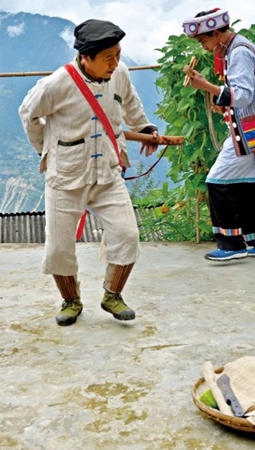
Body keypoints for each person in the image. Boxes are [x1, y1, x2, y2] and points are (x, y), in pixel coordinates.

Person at [19, 19, 161, 326]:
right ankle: (70, 301)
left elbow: (130, 104)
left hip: (108, 171)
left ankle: (112, 294)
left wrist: (144, 127)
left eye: (118, 54)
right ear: (86, 57)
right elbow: (28, 115)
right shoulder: (56, 85)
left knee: (127, 234)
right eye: (108, 57)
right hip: (66, 175)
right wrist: (47, 149)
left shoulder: (119, 74)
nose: (116, 62)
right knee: (59, 246)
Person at [181, 8, 255, 262]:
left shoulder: (239, 52)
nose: (205, 48)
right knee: (243, 184)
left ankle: (231, 244)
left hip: (252, 133)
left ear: (217, 34)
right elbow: (241, 95)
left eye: (204, 41)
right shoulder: (236, 48)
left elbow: (242, 96)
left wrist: (206, 86)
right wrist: (223, 104)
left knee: (217, 180)